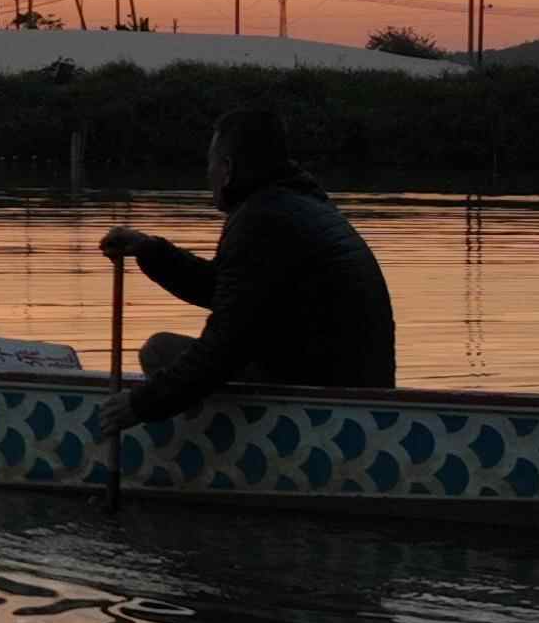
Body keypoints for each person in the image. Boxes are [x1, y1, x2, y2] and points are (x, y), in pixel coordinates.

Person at [99, 107, 394, 432]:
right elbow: (228, 291)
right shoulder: (297, 202)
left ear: (226, 169)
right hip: (357, 387)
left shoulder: (261, 220)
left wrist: (138, 406)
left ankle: (211, 460)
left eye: (210, 163)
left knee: (160, 352)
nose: (207, 173)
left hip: (332, 409)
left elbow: (225, 344)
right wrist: (149, 250)